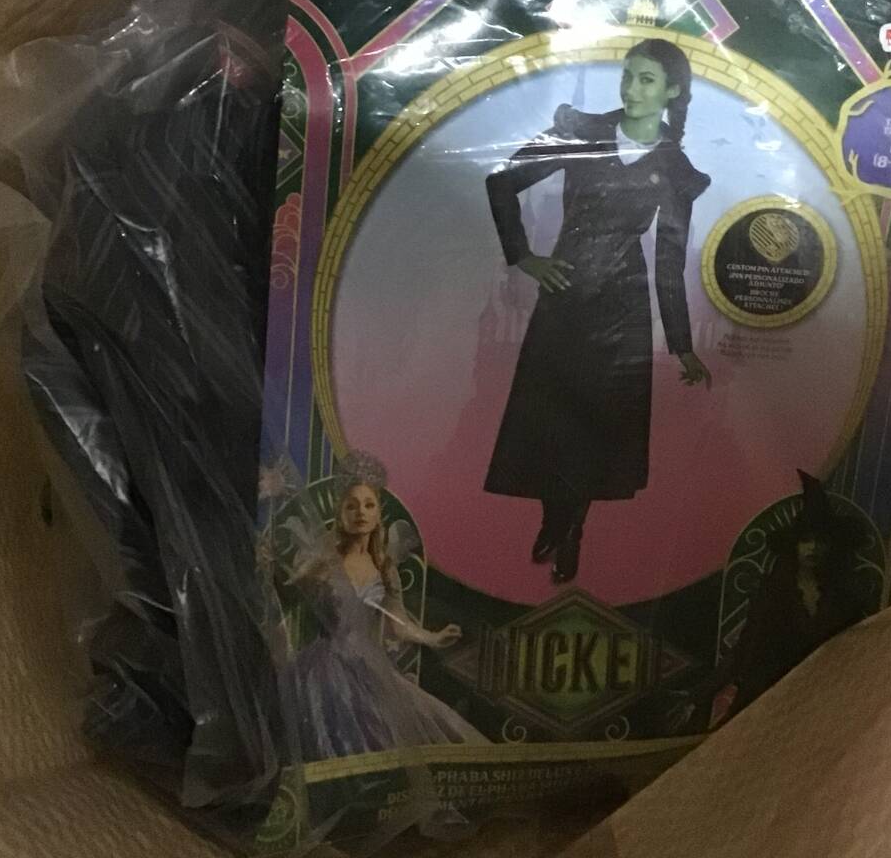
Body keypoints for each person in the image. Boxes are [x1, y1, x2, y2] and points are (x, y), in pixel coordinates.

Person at [484, 38, 713, 583]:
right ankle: (555, 518)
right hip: (564, 294)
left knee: (597, 424)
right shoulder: (581, 132)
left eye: (646, 79)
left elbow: (669, 262)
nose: (631, 88)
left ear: (673, 90)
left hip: (623, 310)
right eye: (628, 75)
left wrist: (682, 346)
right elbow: (501, 181)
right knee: (551, 416)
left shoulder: (674, 167)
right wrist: (524, 257)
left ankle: (572, 528)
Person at [283, 453, 486, 757]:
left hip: (369, 664)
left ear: (379, 512)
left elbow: (397, 623)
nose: (360, 513)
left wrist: (433, 637)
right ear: (340, 512)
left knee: (408, 725)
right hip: (327, 665)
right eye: (351, 506)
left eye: (368, 505)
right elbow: (289, 593)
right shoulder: (324, 561)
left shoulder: (384, 567)